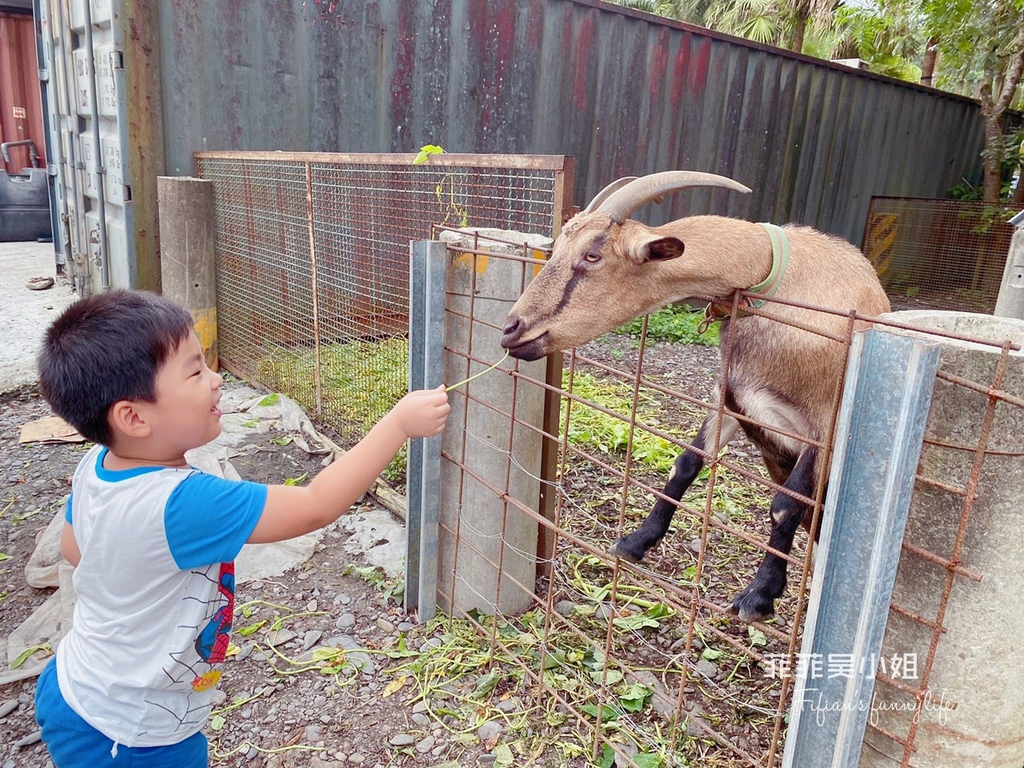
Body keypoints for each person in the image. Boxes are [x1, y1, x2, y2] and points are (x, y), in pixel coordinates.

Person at [33, 289, 450, 767]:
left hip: (74, 681)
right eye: (195, 371)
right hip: (132, 733)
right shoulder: (185, 503)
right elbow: (315, 504)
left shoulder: (97, 464)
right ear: (132, 417)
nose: (216, 381)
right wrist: (397, 424)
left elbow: (74, 549)